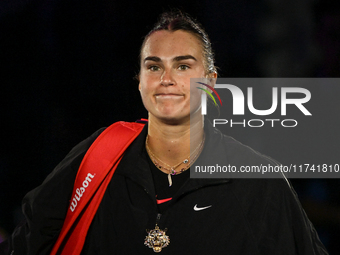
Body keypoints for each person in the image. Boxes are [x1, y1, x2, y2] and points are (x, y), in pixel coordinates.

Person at [6, 11, 328, 254]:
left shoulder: (259, 183)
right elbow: (28, 239)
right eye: (154, 66)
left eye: (184, 66)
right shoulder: (100, 156)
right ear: (140, 80)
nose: (166, 78)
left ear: (211, 82)